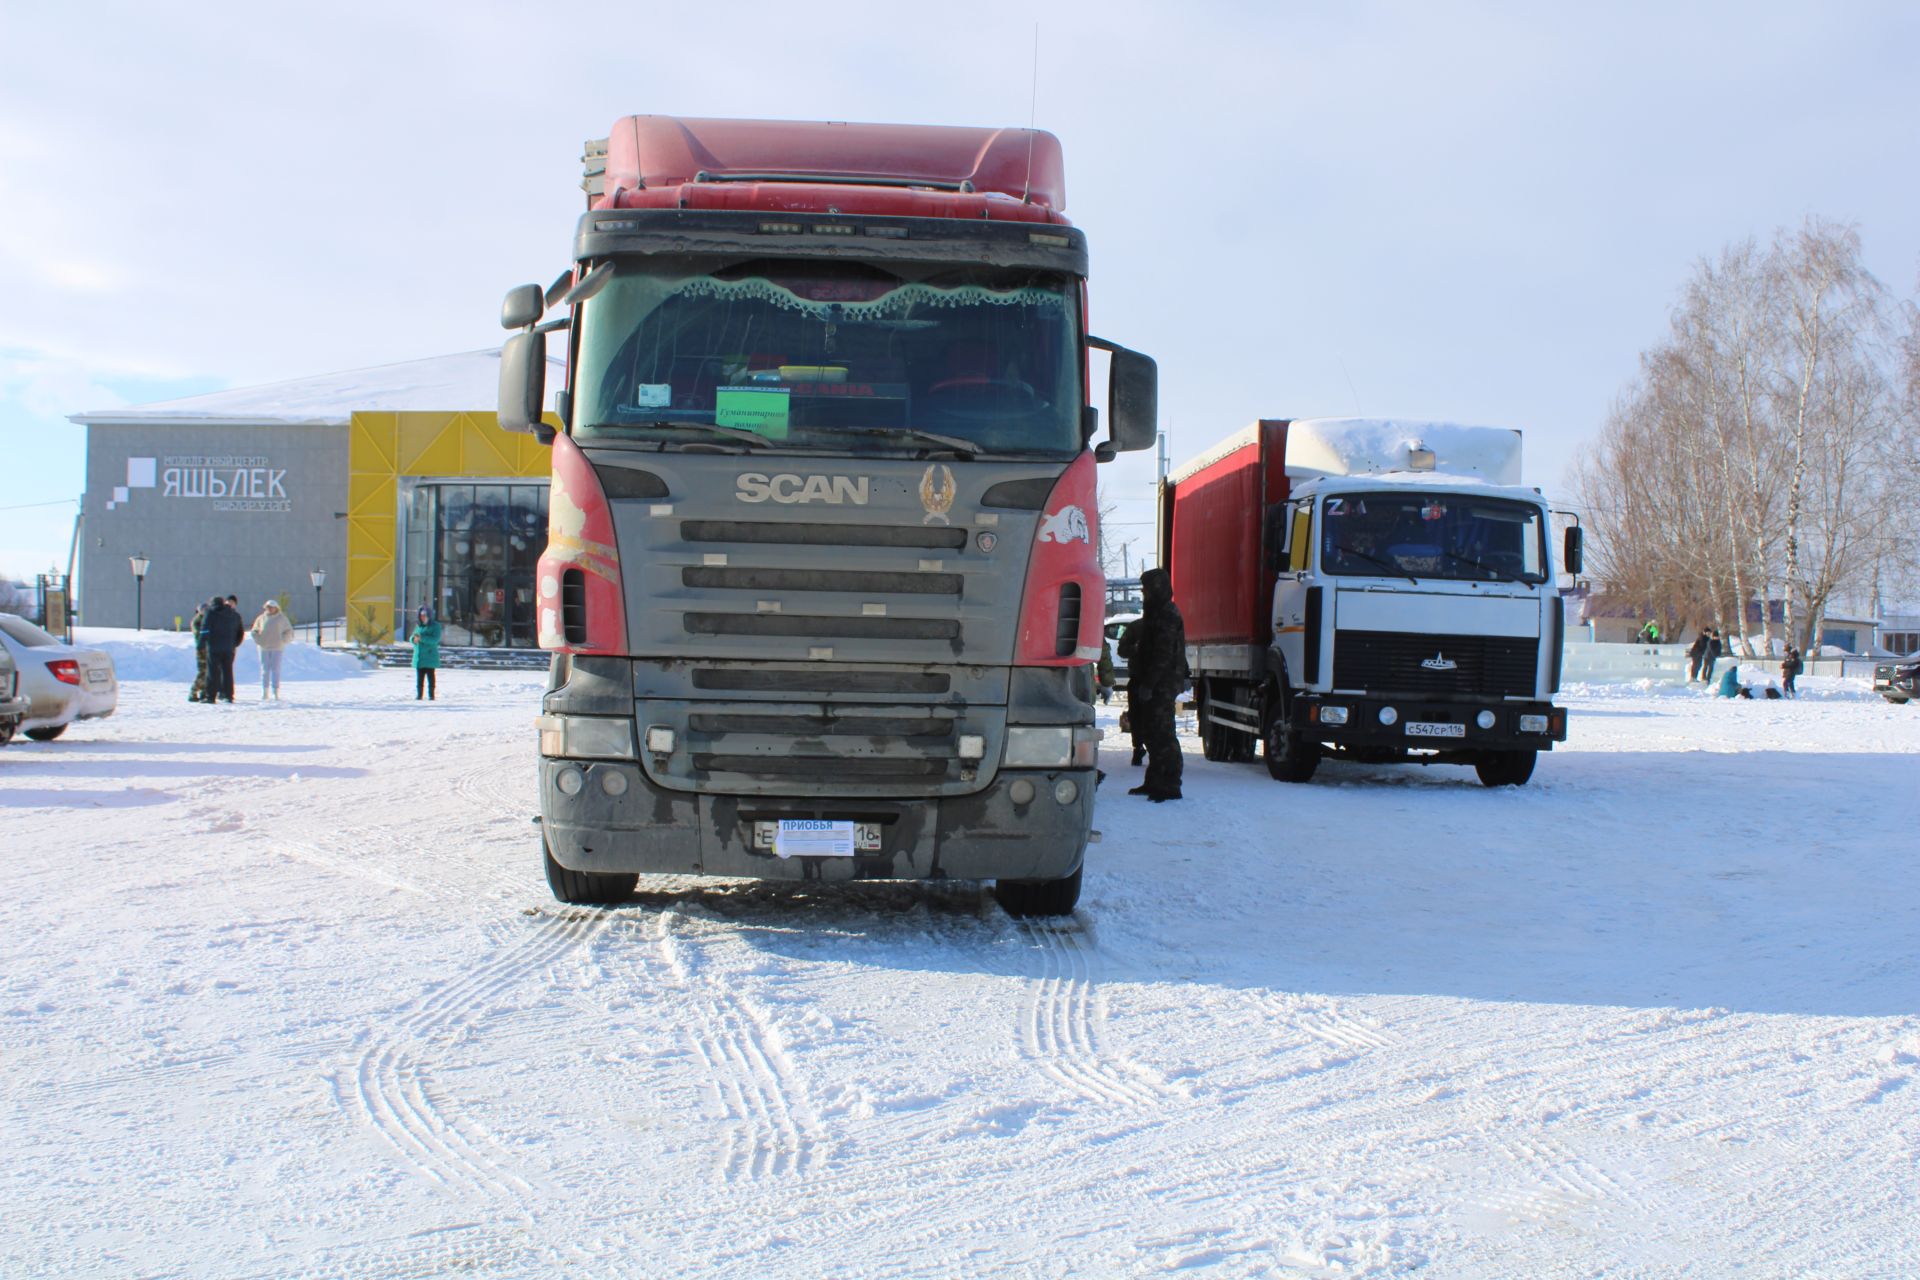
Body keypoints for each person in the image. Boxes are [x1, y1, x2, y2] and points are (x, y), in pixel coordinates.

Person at [1116, 567, 1187, 802]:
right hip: (1153, 681)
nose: (1144, 593)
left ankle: (1170, 784)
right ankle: (1154, 781)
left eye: (1147, 589)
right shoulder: (1155, 613)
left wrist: (1150, 683)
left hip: (1162, 683)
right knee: (1150, 731)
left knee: (1162, 732)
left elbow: (1163, 654)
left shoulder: (1167, 614)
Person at [201, 594, 244, 703]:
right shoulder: (234, 615)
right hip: (229, 648)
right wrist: (234, 644)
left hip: (214, 647)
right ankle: (228, 695)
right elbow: (240, 632)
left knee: (213, 672)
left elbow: (205, 629)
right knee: (228, 671)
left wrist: (201, 644)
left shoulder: (211, 613)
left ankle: (211, 696)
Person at [249, 598, 294, 700]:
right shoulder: (261, 618)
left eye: (271, 607)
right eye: (268, 607)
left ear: (276, 608)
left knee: (275, 669)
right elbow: (254, 630)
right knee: (265, 670)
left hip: (277, 647)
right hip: (264, 647)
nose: (269, 609)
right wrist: (258, 639)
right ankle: (265, 691)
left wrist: (283, 640)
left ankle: (275, 691)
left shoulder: (282, 618)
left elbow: (289, 631)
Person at [407, 605, 442, 700]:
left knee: (431, 676)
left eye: (424, 615)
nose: (422, 617)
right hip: (419, 656)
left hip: (430, 656)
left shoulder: (435, 626)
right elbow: (413, 636)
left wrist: (422, 638)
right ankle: (419, 695)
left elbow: (435, 640)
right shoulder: (419, 626)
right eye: (421, 615)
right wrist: (413, 639)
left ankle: (431, 695)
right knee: (419, 678)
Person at [188, 602, 209, 703]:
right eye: (203, 609)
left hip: (208, 648)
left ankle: (204, 692)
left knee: (208, 671)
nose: (205, 611)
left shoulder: (207, 619)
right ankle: (194, 691)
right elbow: (198, 634)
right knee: (202, 671)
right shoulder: (197, 621)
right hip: (201, 649)